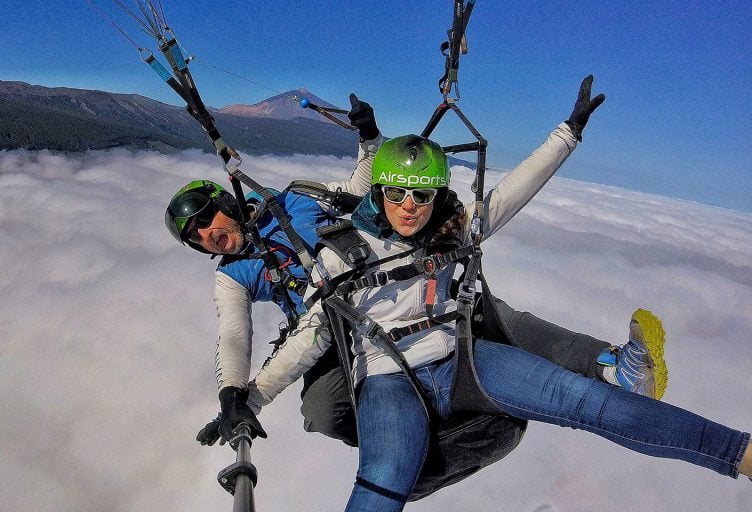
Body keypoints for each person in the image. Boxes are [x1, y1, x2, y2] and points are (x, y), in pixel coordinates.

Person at [234, 104, 751, 509]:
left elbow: (511, 193)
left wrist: (566, 134)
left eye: (422, 196)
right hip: (387, 379)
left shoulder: (450, 231)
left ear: (437, 196)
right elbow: (313, 335)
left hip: (461, 359)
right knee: (382, 486)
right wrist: (250, 400)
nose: (409, 207)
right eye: (397, 194)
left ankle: (739, 453)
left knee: (587, 401)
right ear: (379, 193)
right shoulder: (342, 253)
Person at [165, 82, 667, 454]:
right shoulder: (233, 273)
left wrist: (368, 137)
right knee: (321, 413)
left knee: (487, 317)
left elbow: (364, 191)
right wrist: (236, 396)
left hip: (386, 280)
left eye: (208, 219)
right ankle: (406, 444)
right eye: (197, 238)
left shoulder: (294, 200)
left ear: (225, 202)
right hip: (331, 329)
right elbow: (234, 333)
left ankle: (610, 365)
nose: (209, 234)